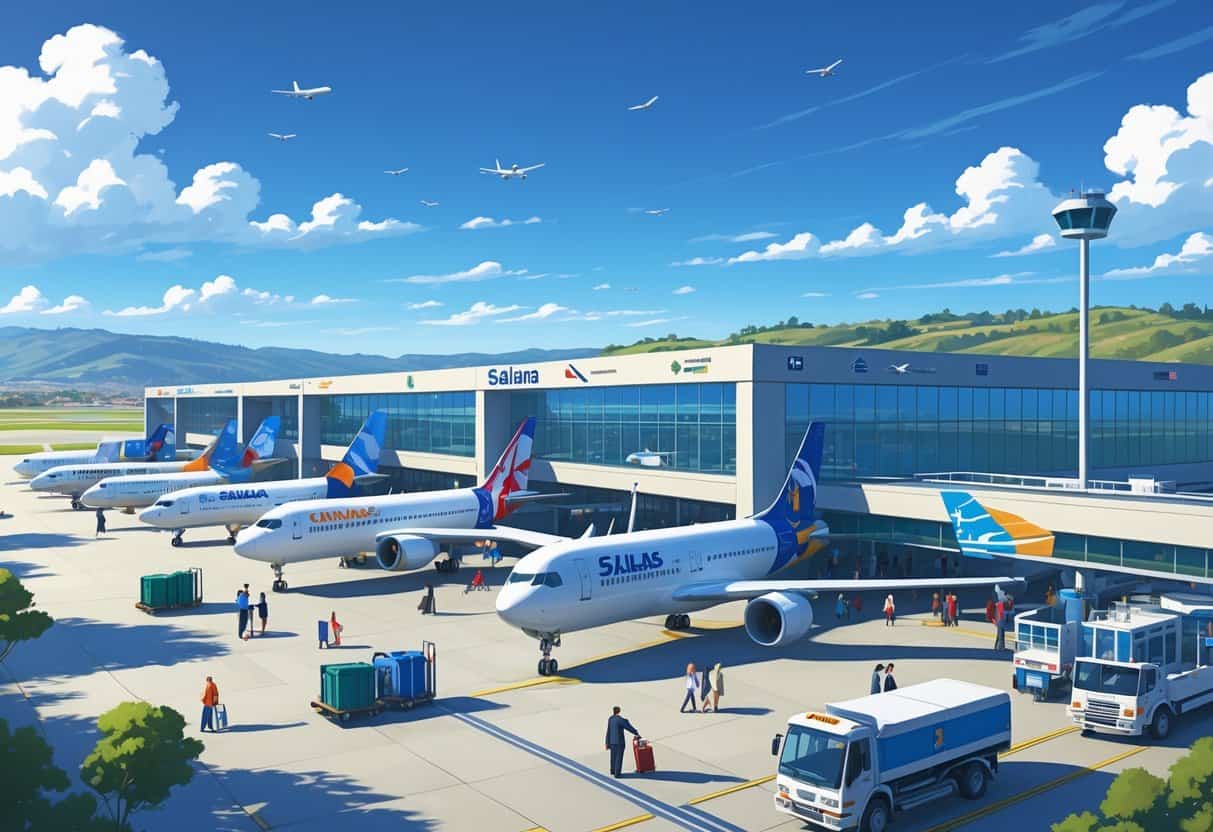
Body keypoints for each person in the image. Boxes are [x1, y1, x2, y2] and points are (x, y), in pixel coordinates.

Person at [605, 706, 639, 778]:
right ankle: (617, 773)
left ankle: (613, 770)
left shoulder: (610, 719)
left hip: (612, 741)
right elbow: (628, 727)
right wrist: (636, 732)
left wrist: (607, 743)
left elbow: (608, 731)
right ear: (619, 711)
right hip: (619, 742)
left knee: (613, 756)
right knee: (618, 757)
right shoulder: (620, 720)